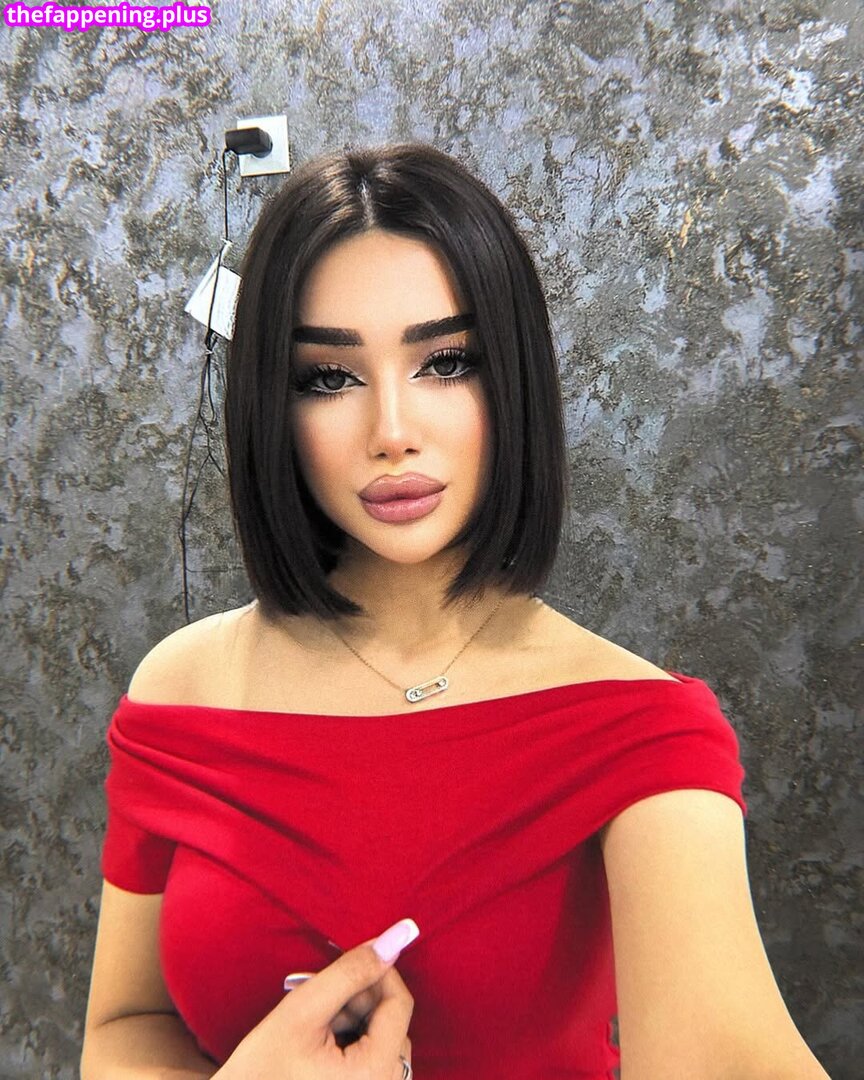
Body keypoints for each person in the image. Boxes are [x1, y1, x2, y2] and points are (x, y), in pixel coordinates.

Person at [80, 143, 831, 1080]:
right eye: (328, 377)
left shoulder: (640, 733)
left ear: (510, 376)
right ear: (271, 403)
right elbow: (124, 1028)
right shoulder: (179, 692)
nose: (392, 431)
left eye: (445, 361)